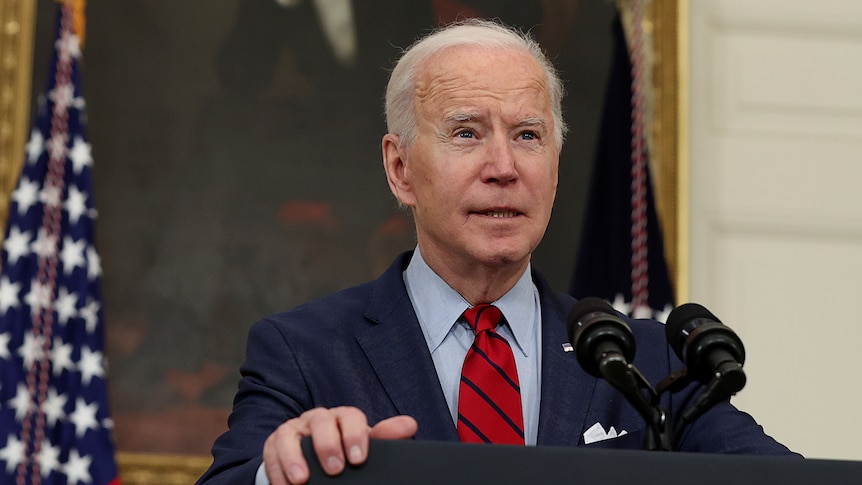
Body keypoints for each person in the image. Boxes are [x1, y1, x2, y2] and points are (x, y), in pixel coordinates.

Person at [197, 19, 795, 485]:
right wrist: (280, 468)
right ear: (400, 168)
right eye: (466, 133)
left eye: (528, 135)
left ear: (554, 170)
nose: (504, 168)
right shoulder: (306, 351)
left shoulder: (650, 362)